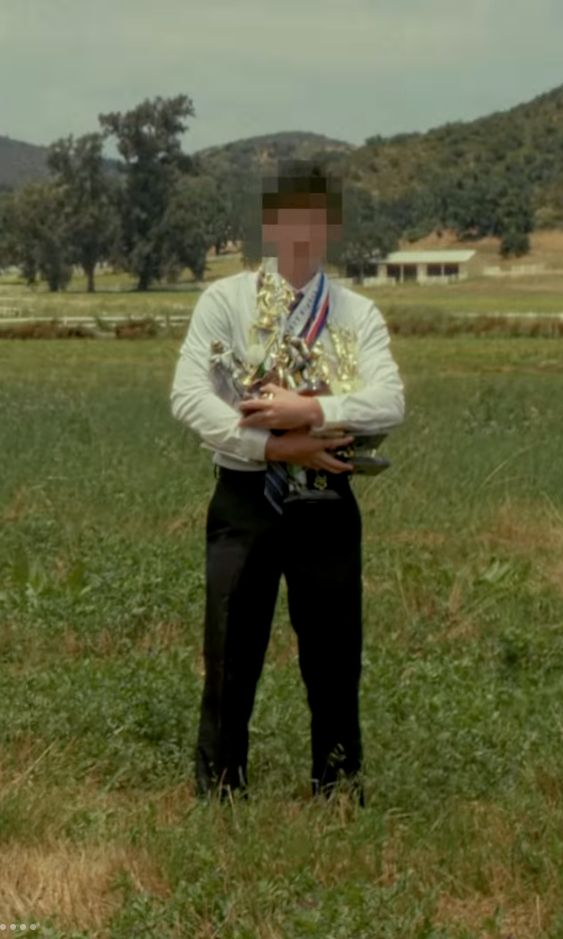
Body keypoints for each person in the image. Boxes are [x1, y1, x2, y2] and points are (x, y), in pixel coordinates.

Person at [170, 160, 404, 805]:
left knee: (334, 655)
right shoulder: (227, 302)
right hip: (244, 499)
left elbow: (390, 402)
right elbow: (190, 397)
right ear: (271, 225)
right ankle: (219, 791)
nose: (302, 232)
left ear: (330, 229)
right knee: (229, 649)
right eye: (289, 218)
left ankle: (337, 789)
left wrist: (315, 413)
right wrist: (273, 445)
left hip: (327, 502)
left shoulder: (356, 313)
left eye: (315, 220)